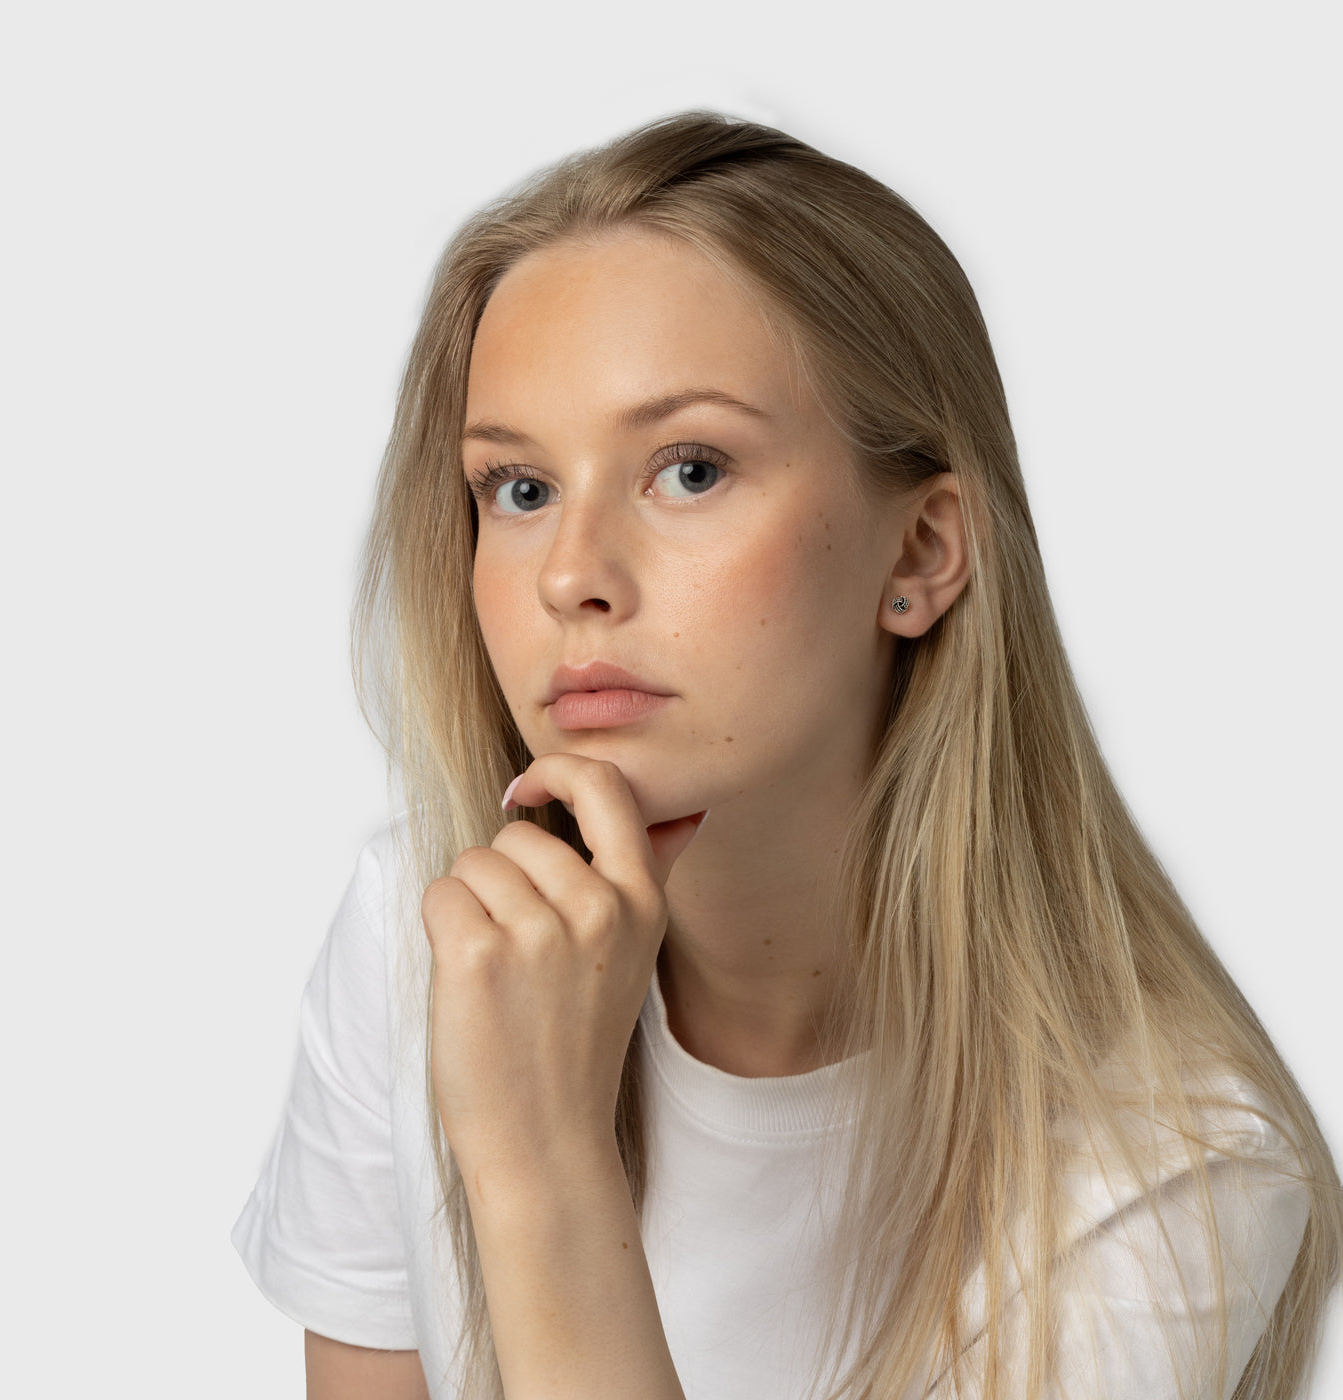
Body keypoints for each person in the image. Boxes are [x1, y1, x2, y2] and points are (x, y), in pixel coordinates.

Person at [231, 112, 1341, 1400]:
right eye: (518, 490)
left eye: (689, 470)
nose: (574, 575)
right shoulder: (421, 935)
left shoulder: (1171, 1170)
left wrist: (542, 1171)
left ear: (920, 554)